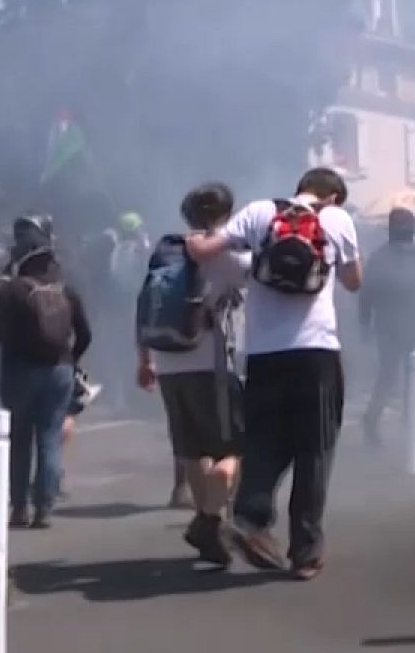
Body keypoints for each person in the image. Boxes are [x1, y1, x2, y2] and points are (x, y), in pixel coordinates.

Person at [187, 167, 362, 581]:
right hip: (316, 352)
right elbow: (354, 282)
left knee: (263, 442)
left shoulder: (260, 211)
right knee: (314, 452)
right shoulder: (337, 219)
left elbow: (206, 250)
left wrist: (195, 243)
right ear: (333, 196)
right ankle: (306, 552)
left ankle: (249, 521)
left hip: (264, 354)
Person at [136, 182, 249, 566]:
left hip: (168, 362)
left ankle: (209, 530)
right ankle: (209, 519)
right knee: (234, 447)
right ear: (226, 214)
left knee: (190, 449)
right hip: (211, 364)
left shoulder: (166, 250)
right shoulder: (224, 255)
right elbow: (262, 277)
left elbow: (142, 306)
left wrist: (144, 359)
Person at [0, 215, 92, 529]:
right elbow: (85, 334)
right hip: (60, 372)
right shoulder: (66, 290)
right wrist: (71, 359)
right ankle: (45, 507)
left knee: (19, 440)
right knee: (50, 437)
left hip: (19, 372)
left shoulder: (11, 290)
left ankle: (19, 507)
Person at [359, 208, 415, 446]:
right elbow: (368, 293)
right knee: (400, 375)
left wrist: (365, 322)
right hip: (400, 323)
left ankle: (406, 421)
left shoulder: (381, 257)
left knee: (397, 375)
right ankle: (391, 420)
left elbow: (366, 294)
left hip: (399, 322)